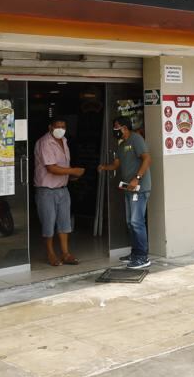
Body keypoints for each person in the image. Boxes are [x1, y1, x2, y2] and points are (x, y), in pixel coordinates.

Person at [98, 115, 153, 269]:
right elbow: (116, 164)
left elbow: (147, 159)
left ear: (125, 127)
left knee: (137, 222)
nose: (115, 129)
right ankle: (135, 253)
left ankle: (143, 257)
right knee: (130, 222)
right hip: (128, 188)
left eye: (117, 126)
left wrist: (137, 178)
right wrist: (104, 167)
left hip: (139, 188)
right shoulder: (121, 144)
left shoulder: (136, 139)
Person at [33, 116, 86, 266]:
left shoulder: (64, 141)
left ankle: (65, 254)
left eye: (63, 127)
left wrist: (71, 176)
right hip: (46, 190)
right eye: (58, 126)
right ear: (50, 127)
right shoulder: (44, 142)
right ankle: (50, 254)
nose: (60, 130)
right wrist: (74, 171)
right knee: (48, 223)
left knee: (64, 223)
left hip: (63, 189)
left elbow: (62, 167)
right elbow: (51, 168)